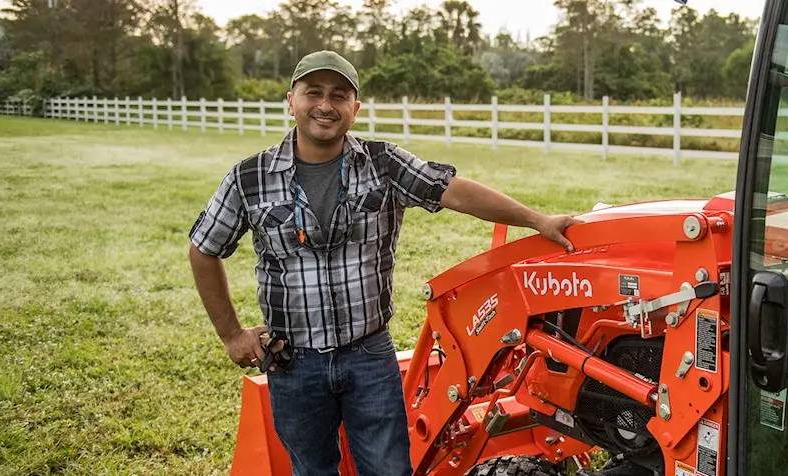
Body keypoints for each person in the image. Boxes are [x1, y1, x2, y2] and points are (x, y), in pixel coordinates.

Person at [187, 50, 581, 476]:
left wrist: (536, 220)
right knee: (312, 469)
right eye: (313, 92)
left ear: (354, 110)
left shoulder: (383, 163)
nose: (325, 105)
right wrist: (231, 334)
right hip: (293, 362)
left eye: (339, 96)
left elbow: (454, 191)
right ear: (291, 100)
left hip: (369, 356)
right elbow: (205, 248)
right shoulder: (250, 177)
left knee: (389, 468)